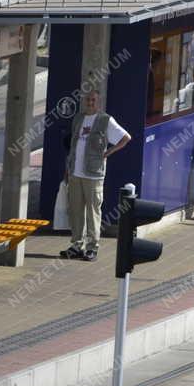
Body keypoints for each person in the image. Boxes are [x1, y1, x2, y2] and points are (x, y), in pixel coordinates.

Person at [60, 90, 131, 261]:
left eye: (93, 100)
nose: (90, 102)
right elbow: (73, 146)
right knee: (75, 211)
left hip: (93, 175)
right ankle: (77, 245)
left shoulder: (105, 120)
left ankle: (92, 247)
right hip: (75, 173)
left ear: (98, 102)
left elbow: (126, 138)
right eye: (88, 100)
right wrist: (68, 170)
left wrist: (107, 153)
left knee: (93, 212)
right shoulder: (78, 118)